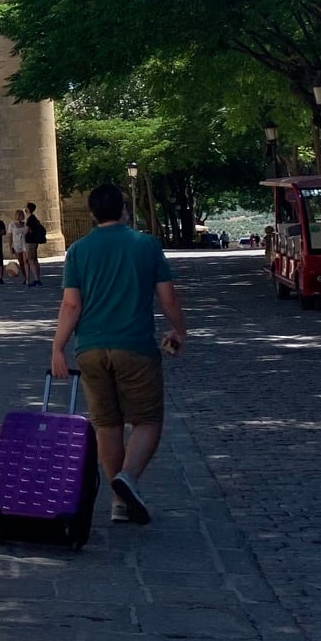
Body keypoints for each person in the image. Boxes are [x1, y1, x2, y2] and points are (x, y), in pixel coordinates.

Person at [49, 183, 188, 527]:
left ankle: (118, 503)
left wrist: (57, 346)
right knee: (147, 421)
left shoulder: (79, 250)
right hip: (135, 345)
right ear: (124, 209)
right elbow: (167, 297)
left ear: (93, 214)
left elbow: (71, 303)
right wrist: (179, 330)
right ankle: (127, 477)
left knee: (106, 425)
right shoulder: (146, 245)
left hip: (91, 348)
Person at [23, 202, 48, 286]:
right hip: (34, 241)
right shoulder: (34, 218)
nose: (25, 209)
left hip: (30, 242)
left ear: (28, 209)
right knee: (35, 260)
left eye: (26, 208)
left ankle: (37, 280)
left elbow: (26, 231)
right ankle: (37, 279)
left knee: (31, 260)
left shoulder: (30, 219)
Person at [9, 209, 30, 283]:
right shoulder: (12, 225)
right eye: (21, 215)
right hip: (16, 245)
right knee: (21, 262)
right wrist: (10, 247)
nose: (22, 216)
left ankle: (27, 278)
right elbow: (10, 237)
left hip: (24, 244)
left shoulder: (25, 224)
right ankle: (25, 276)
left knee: (26, 261)